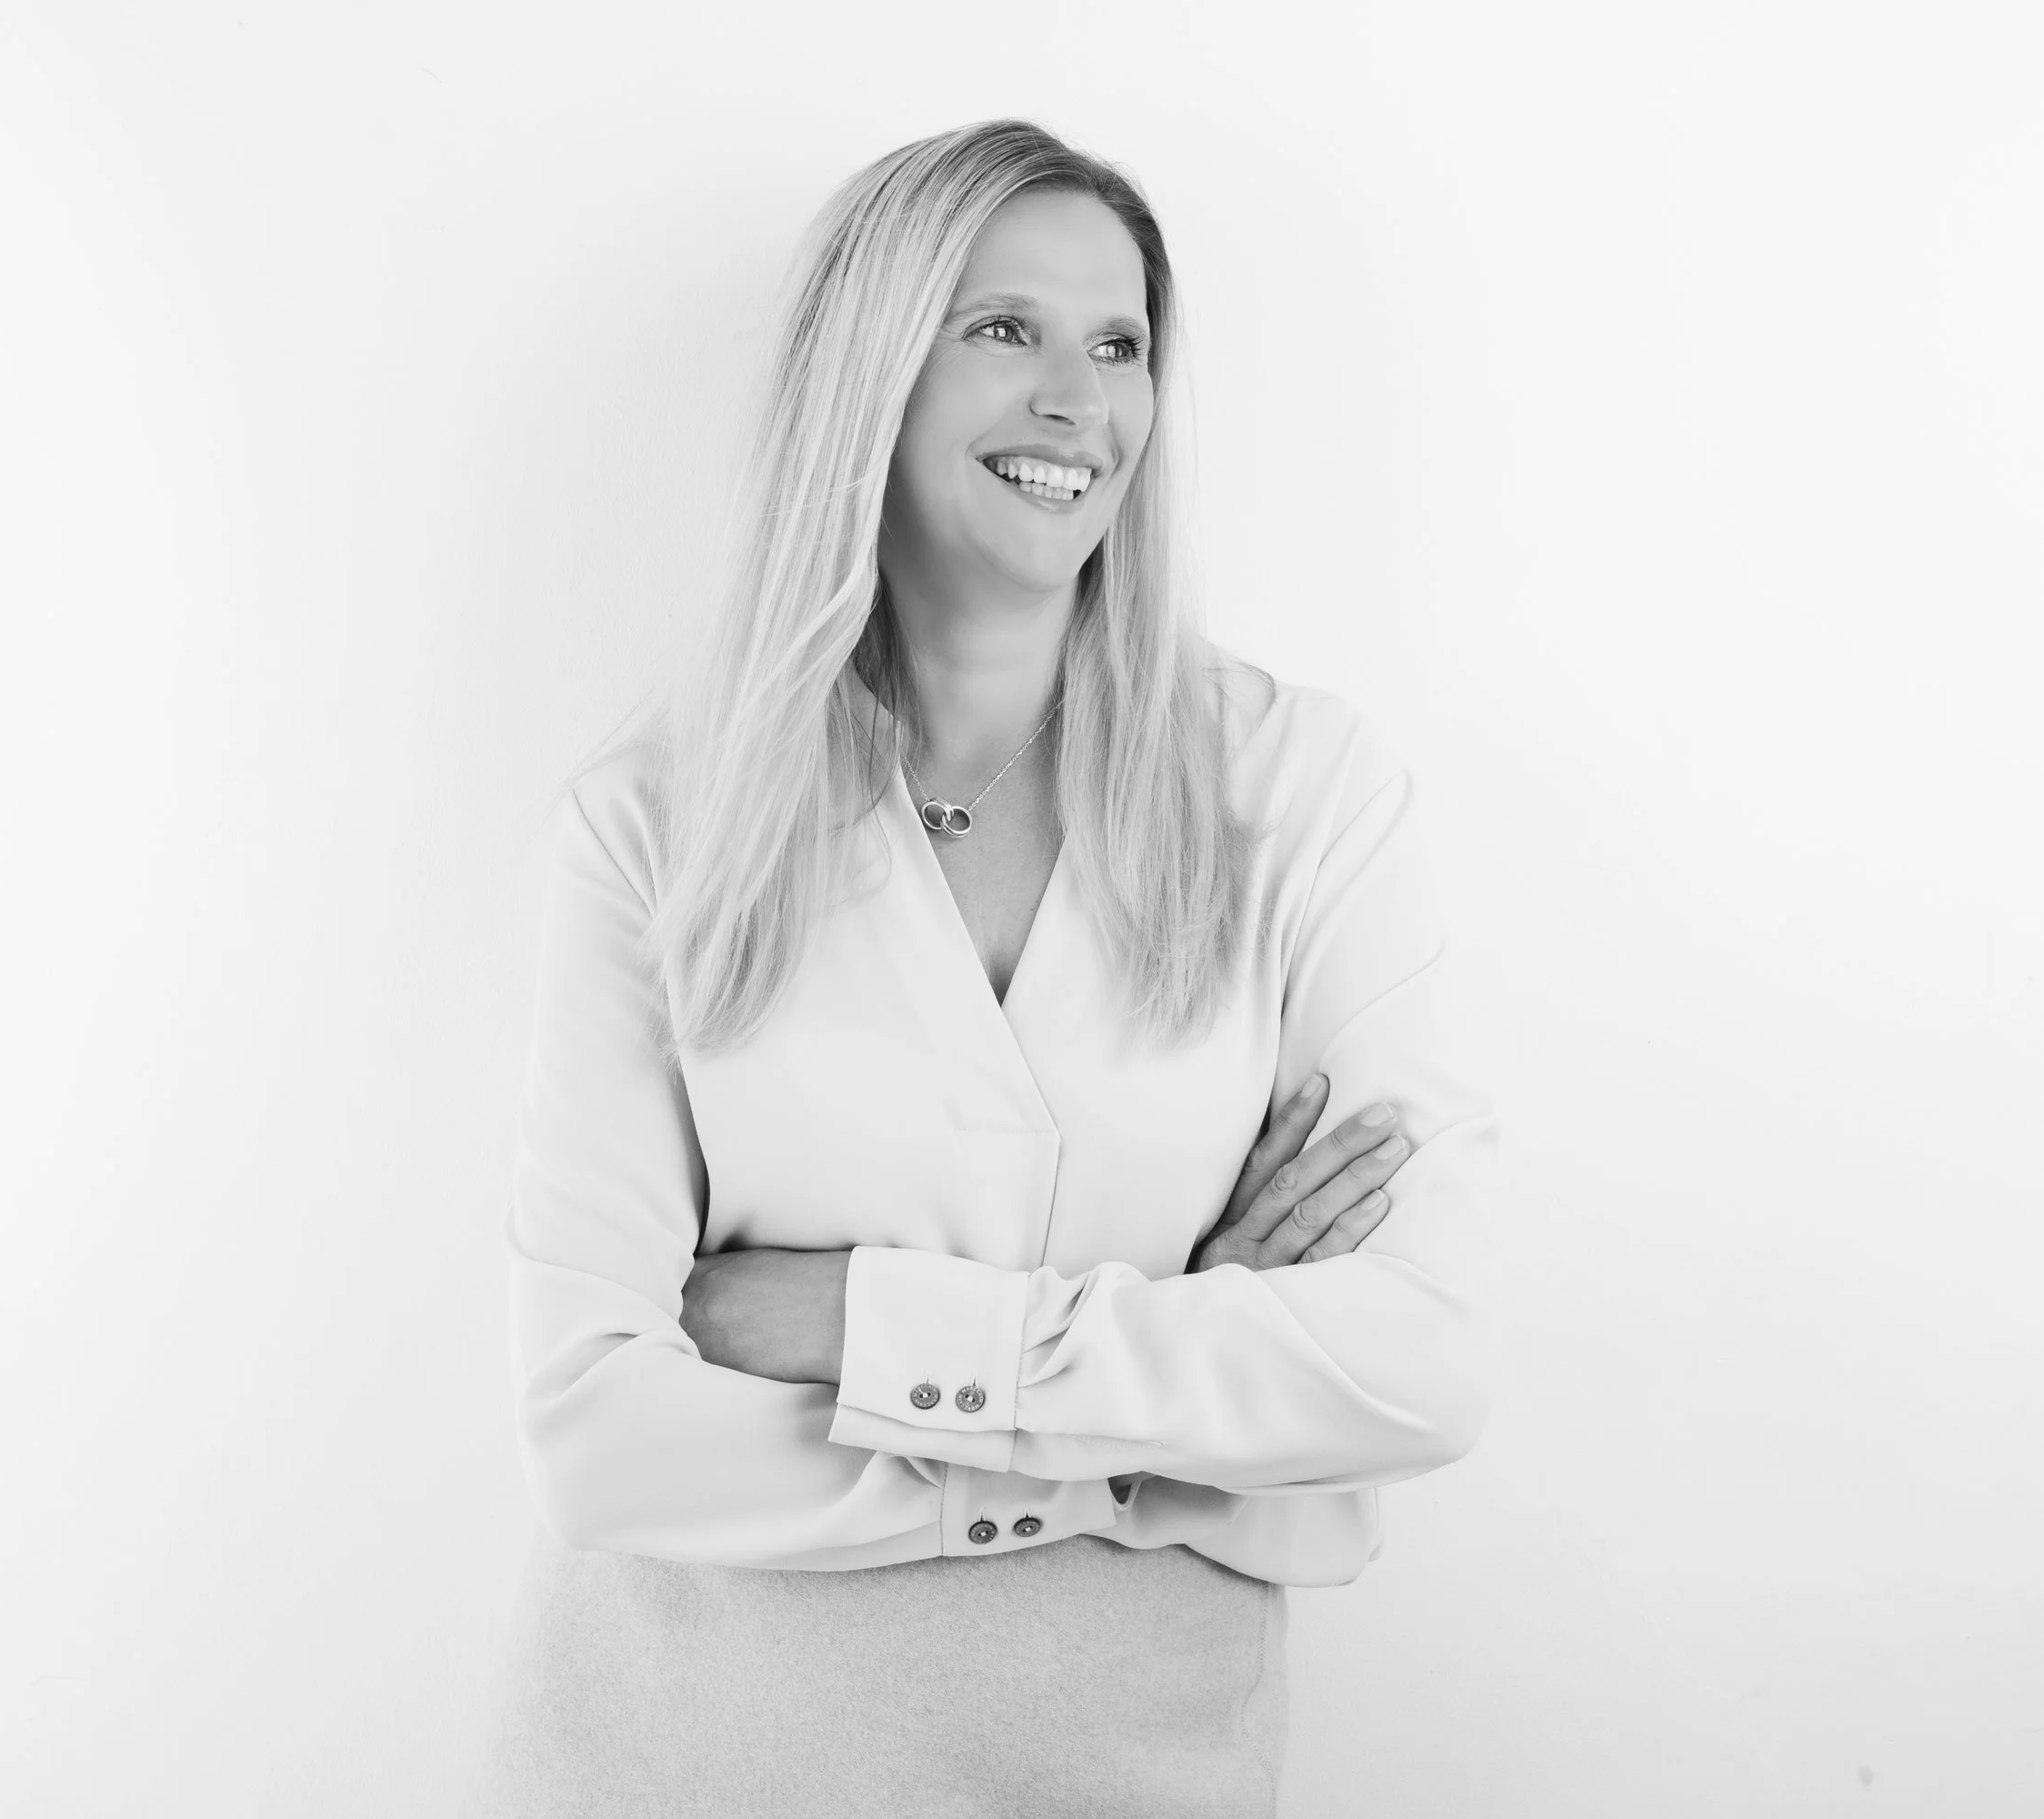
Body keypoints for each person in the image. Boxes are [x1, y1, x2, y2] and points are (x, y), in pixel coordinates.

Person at [466, 117, 1497, 1818]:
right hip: (676, 1761)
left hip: (1139, 1770)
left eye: (1118, 346)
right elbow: (597, 1436)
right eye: (1004, 329)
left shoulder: (1301, 794)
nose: (1078, 403)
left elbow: (1422, 1362)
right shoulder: (663, 819)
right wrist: (1173, 1419)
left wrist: (869, 1327)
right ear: (873, 368)